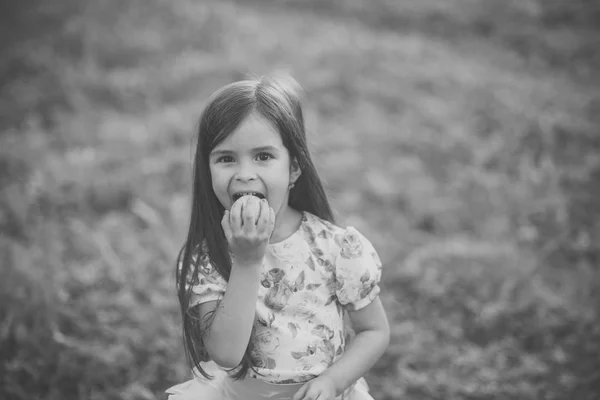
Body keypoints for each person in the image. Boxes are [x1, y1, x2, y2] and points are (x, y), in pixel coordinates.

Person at [166, 75, 390, 400]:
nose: (244, 173)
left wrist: (334, 381)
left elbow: (374, 330)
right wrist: (246, 261)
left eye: (263, 156)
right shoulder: (210, 256)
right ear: (208, 169)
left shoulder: (335, 248)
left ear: (294, 168)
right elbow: (225, 354)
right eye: (226, 158)